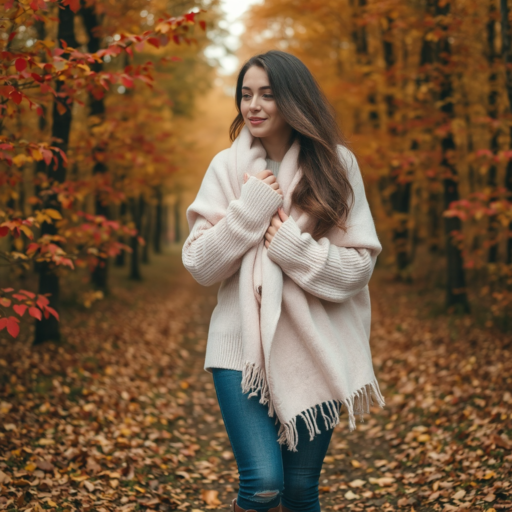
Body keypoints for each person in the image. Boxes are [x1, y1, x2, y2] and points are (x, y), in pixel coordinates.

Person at [182, 50, 385, 512]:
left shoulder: (336, 165)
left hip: (316, 344)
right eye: (246, 94)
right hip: (240, 351)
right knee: (263, 485)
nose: (253, 105)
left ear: (294, 101)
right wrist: (248, 212)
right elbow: (198, 263)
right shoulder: (227, 169)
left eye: (267, 95)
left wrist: (293, 249)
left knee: (300, 491)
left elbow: (358, 268)